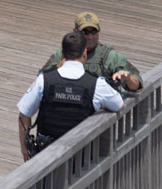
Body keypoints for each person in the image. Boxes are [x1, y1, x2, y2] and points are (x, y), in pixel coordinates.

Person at [17, 30, 123, 161]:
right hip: (81, 159)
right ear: (84, 53)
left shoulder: (44, 80)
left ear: (62, 53)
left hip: (46, 158)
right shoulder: (95, 84)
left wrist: (24, 149)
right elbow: (119, 104)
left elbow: (24, 114)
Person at [39, 12, 142, 91]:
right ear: (75, 31)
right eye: (85, 32)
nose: (90, 37)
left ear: (99, 31)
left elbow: (136, 84)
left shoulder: (109, 56)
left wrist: (128, 78)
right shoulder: (63, 53)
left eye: (94, 31)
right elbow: (41, 79)